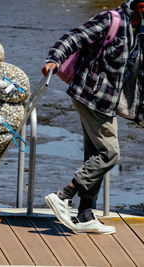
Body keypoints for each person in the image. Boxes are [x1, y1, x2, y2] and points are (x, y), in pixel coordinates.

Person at [42, 0, 144, 234]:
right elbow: (74, 37)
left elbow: (140, 77)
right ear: (141, 5)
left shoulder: (140, 33)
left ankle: (86, 214)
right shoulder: (111, 20)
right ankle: (63, 195)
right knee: (110, 153)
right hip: (89, 94)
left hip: (108, 102)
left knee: (96, 156)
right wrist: (54, 59)